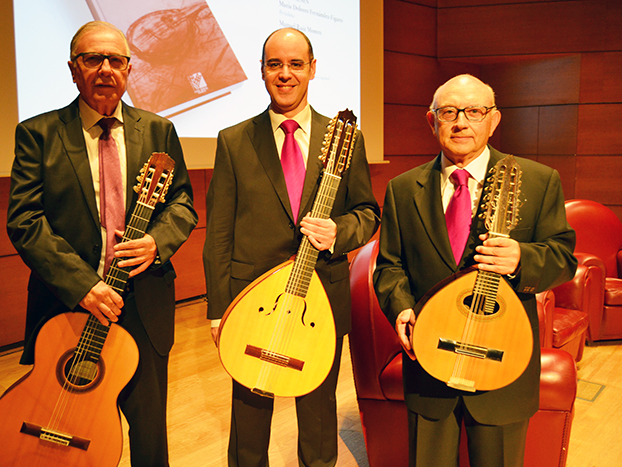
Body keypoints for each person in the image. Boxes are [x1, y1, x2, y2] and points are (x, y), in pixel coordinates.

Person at [6, 21, 198, 467]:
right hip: (69, 306)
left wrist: (156, 242)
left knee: (149, 431)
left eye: (116, 60)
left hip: (143, 301)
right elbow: (25, 222)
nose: (106, 69)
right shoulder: (38, 134)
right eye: (93, 59)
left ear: (129, 70)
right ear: (74, 70)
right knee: (69, 425)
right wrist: (83, 286)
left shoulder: (158, 129)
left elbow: (183, 203)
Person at [372, 74, 577, 467]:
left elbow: (562, 258)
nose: (461, 121)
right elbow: (390, 266)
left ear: (494, 120)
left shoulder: (538, 180)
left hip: (504, 364)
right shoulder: (402, 188)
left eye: (474, 111)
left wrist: (521, 259)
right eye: (449, 112)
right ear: (431, 121)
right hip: (429, 363)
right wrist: (399, 308)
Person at [202, 28, 380, 467]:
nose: (285, 74)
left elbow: (367, 211)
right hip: (251, 300)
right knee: (250, 413)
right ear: (262, 71)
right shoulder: (233, 140)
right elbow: (219, 233)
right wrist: (218, 307)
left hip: (321, 296)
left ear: (313, 69)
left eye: (295, 64)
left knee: (319, 414)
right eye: (275, 64)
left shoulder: (343, 138)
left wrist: (339, 231)